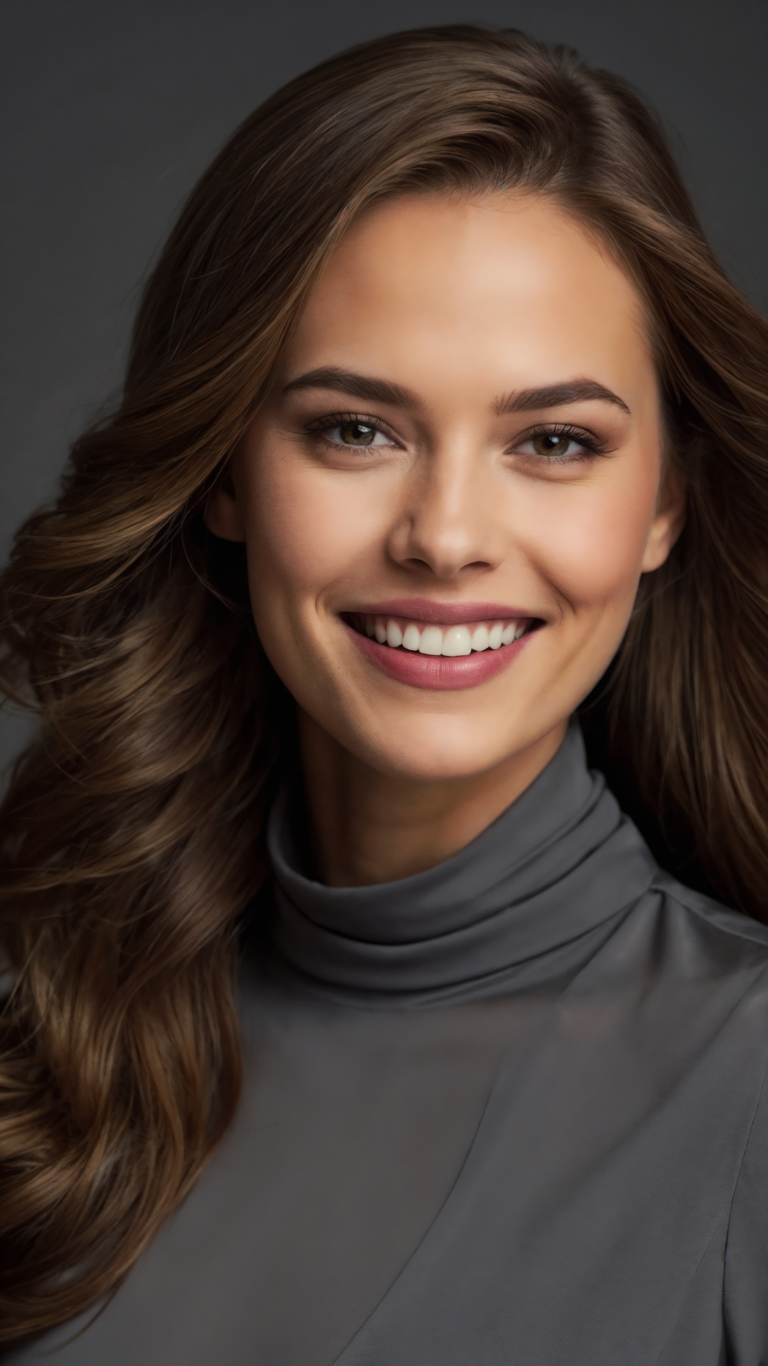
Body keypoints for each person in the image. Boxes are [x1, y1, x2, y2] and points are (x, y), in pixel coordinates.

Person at [1, 23, 768, 1365]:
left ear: (666, 503)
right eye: (356, 429)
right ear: (229, 471)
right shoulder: (54, 1054)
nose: (445, 533)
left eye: (555, 441)